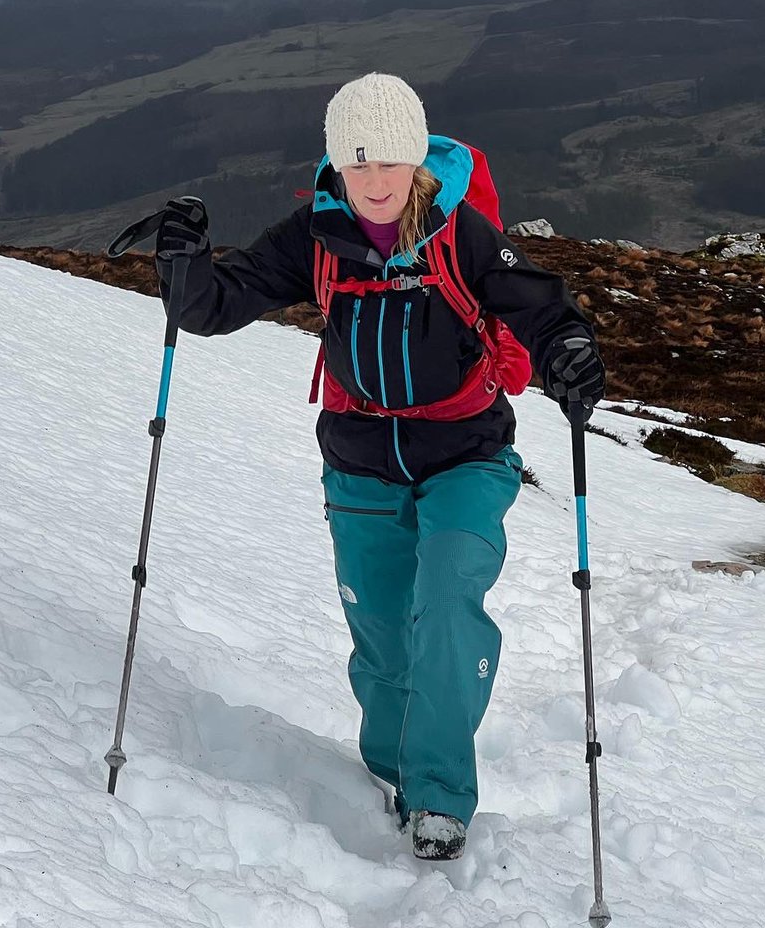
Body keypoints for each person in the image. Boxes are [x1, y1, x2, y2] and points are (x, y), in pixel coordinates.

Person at [154, 72, 605, 861]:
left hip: (467, 453)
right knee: (385, 642)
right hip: (359, 462)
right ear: (336, 165)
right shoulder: (315, 235)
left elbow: (537, 303)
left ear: (417, 162)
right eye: (357, 166)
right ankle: (393, 770)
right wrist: (185, 265)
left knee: (447, 600)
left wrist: (567, 347)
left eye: (389, 165)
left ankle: (438, 796)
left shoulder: (458, 233)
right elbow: (216, 307)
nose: (374, 183)